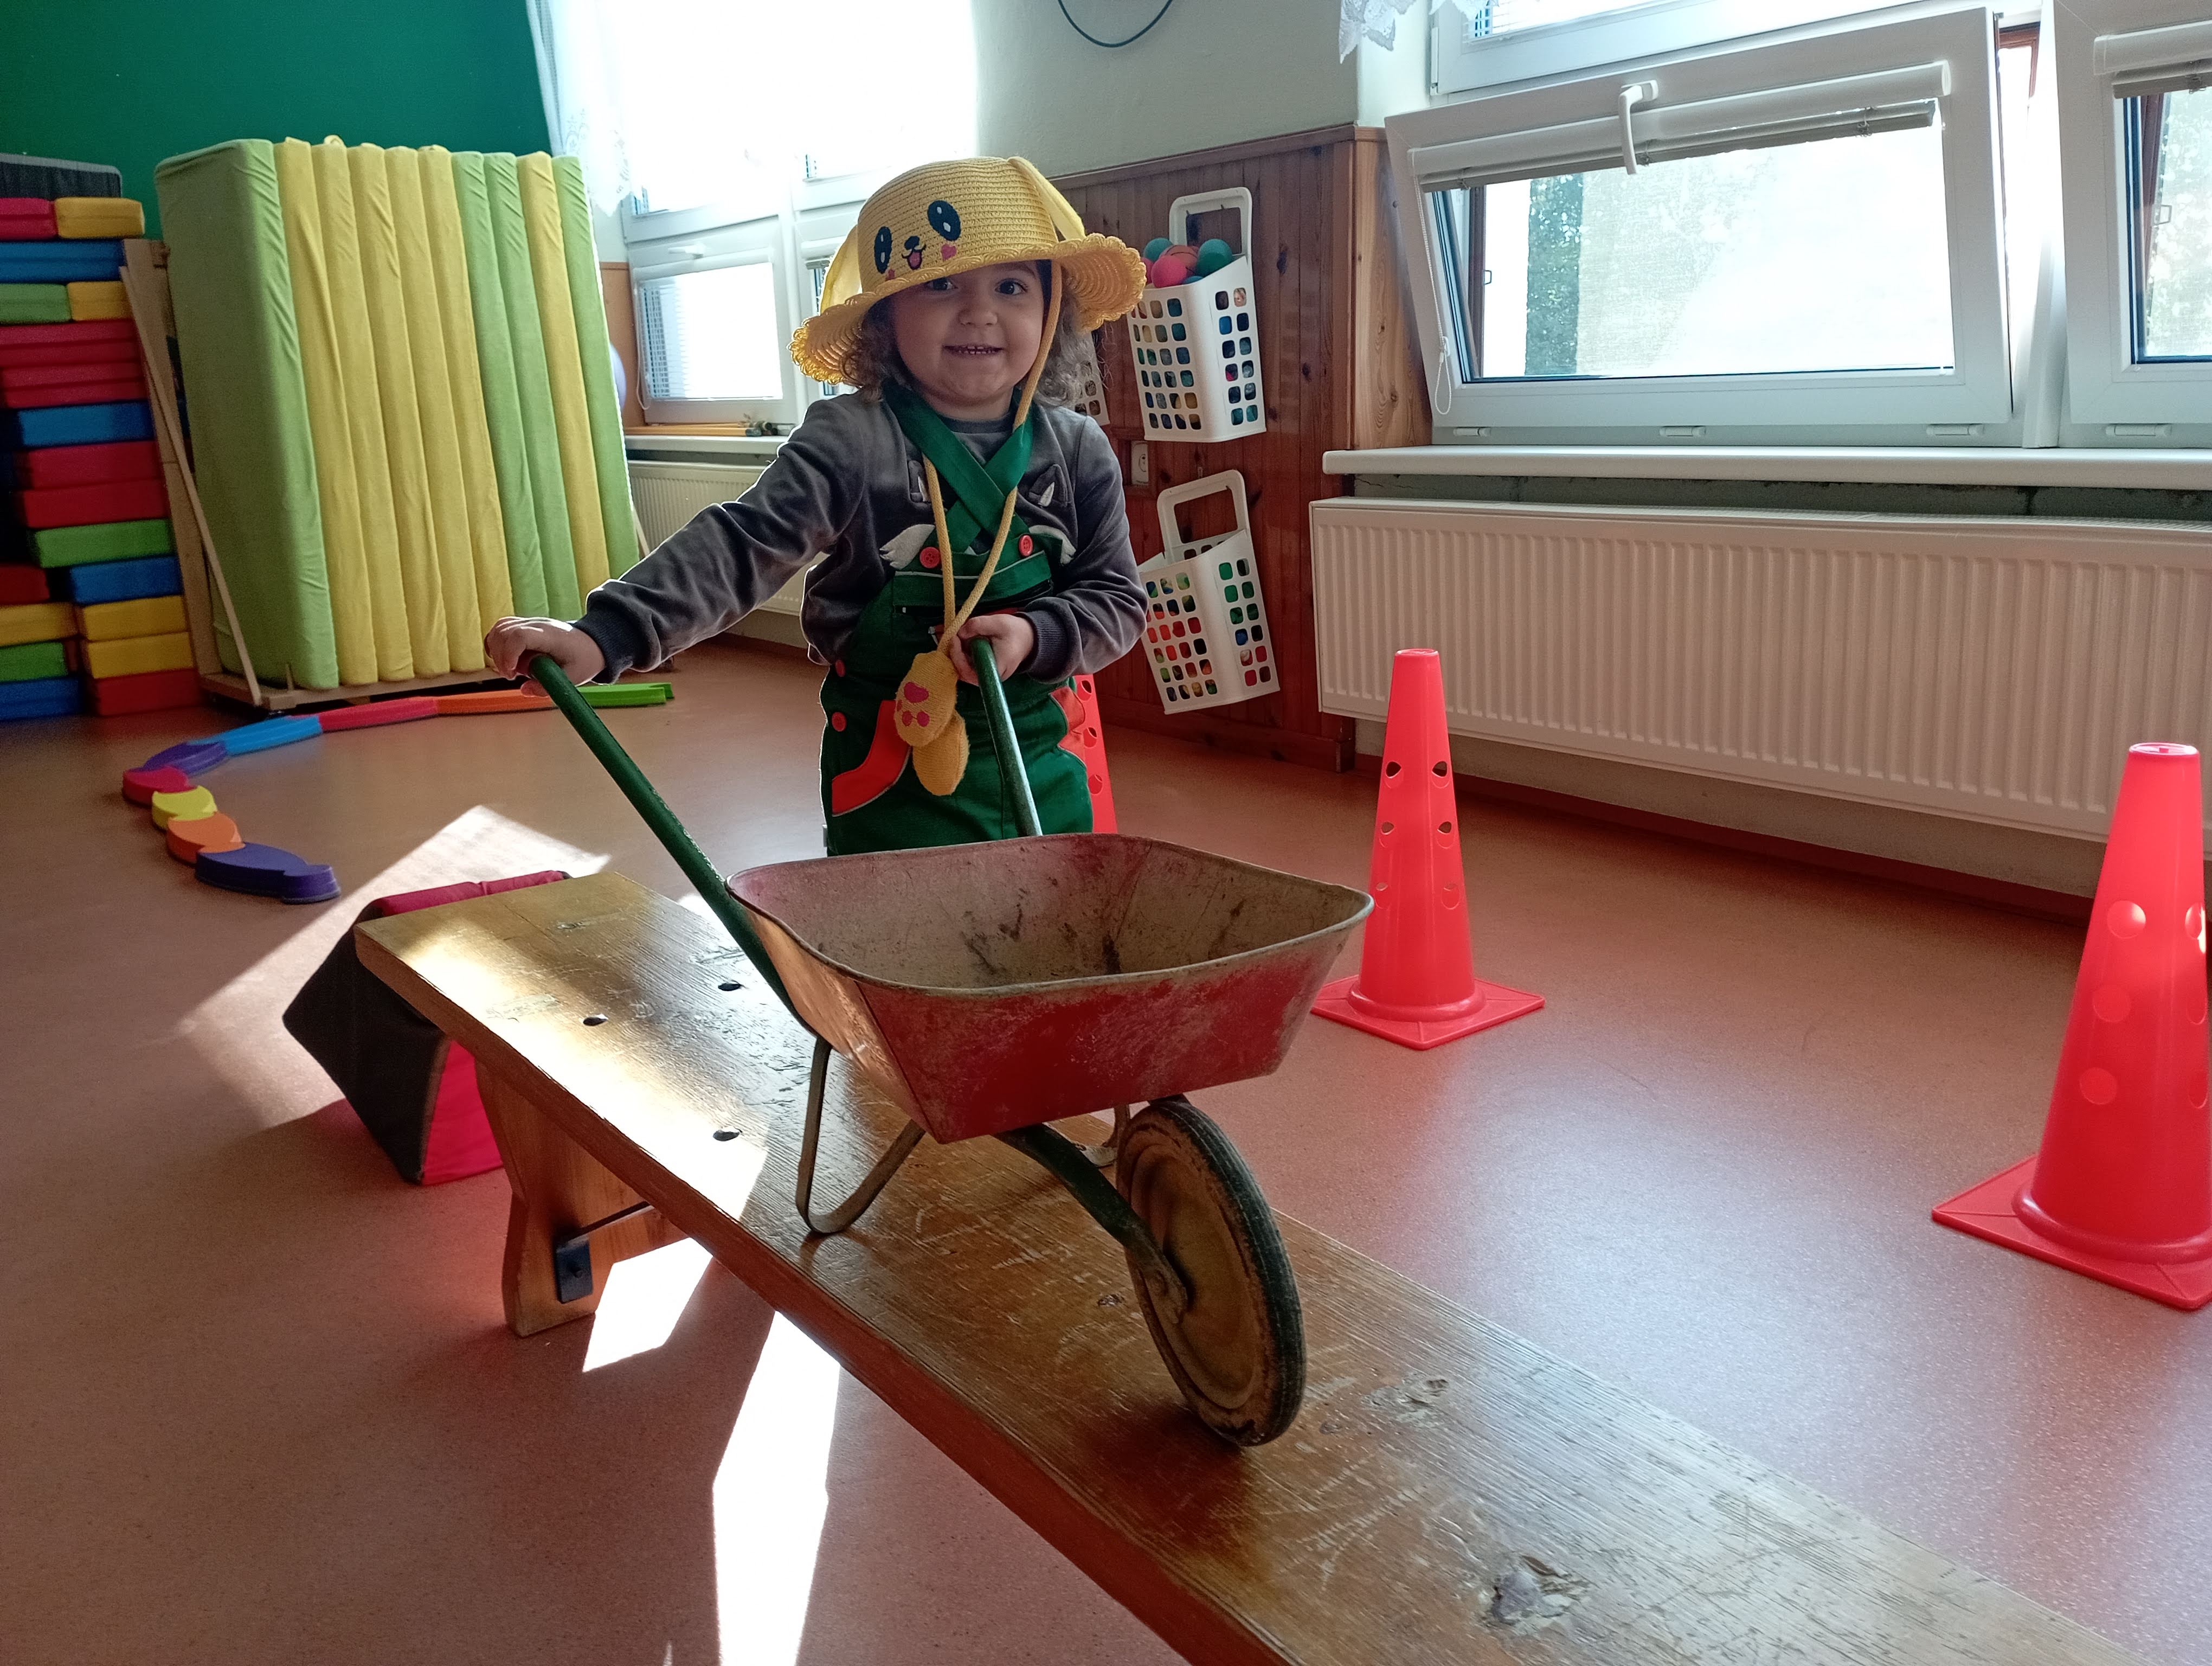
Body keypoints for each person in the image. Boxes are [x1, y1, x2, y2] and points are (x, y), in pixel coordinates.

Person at [485, 156, 1148, 854]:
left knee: (1045, 910)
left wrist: (1037, 635)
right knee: (895, 913)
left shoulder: (1078, 450)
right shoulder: (850, 440)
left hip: (1041, 754)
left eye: (1012, 286)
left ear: (1051, 312)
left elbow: (1116, 599)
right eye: (941, 283)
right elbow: (742, 547)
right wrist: (606, 634)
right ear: (886, 316)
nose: (979, 312)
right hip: (888, 769)